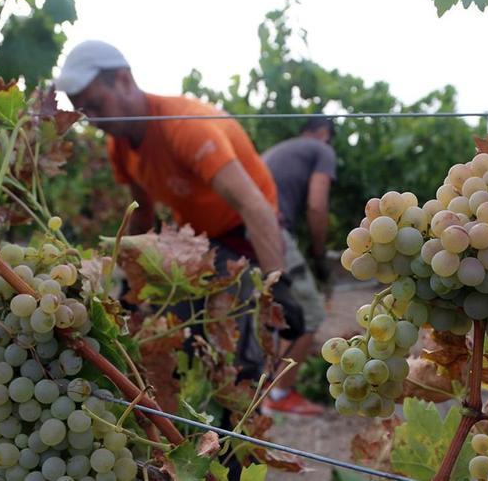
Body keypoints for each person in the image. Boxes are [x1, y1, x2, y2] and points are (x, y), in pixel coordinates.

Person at [55, 40, 304, 379]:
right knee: (180, 336)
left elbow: (253, 205)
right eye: (85, 112)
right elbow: (141, 215)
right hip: (202, 239)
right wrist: (131, 286)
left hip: (250, 229)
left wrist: (278, 281)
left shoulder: (186, 127)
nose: (95, 120)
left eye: (98, 105)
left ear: (125, 80)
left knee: (242, 348)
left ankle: (243, 412)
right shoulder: (120, 144)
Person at [260, 117, 337, 415]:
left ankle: (265, 387)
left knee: (274, 314)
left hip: (238, 232)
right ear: (323, 134)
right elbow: (317, 206)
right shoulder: (322, 150)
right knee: (309, 313)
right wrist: (319, 257)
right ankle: (279, 395)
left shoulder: (279, 150)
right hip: (268, 228)